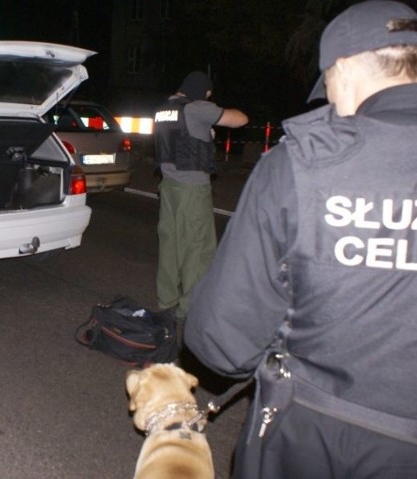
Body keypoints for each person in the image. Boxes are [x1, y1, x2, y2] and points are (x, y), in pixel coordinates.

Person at [184, 1, 417, 478]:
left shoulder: (301, 164)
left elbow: (220, 342)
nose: (329, 97)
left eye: (328, 81)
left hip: (318, 436)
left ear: (348, 65)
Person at [153, 71, 248, 320]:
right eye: (208, 93)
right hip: (191, 190)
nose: (208, 97)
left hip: (168, 186)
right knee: (197, 248)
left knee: (170, 245)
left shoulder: (164, 108)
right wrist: (211, 107)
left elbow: (181, 139)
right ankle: (190, 308)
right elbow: (240, 120)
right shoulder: (196, 108)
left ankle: (166, 300)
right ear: (201, 91)